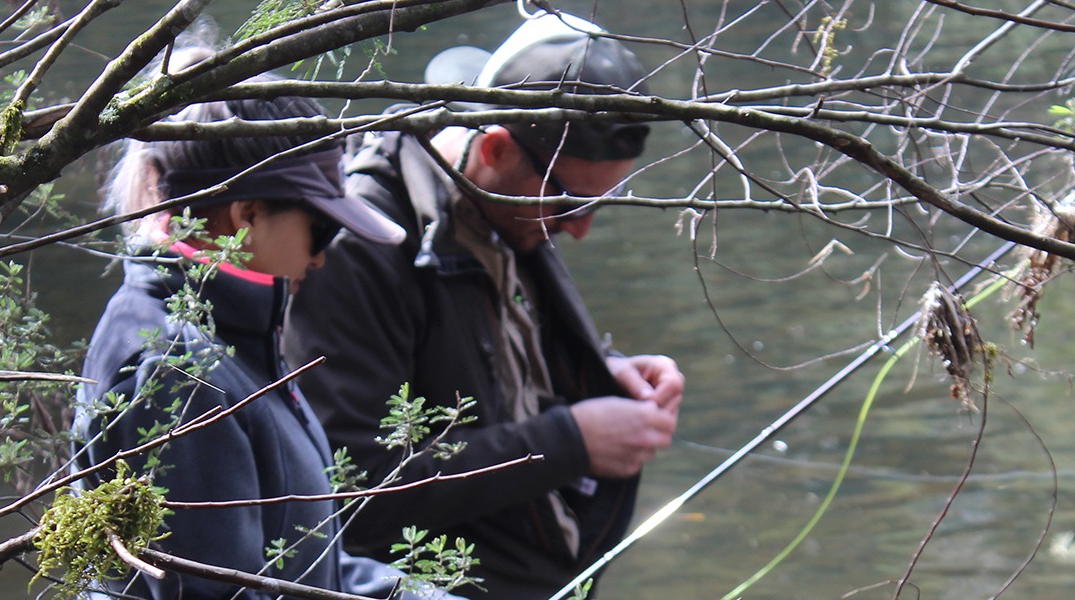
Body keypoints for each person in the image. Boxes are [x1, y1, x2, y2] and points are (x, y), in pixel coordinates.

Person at [284, 12, 684, 599]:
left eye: (603, 201)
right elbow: (352, 496)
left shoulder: (507, 207)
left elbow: (495, 360)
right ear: (495, 149)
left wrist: (602, 372)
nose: (581, 230)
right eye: (571, 202)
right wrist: (568, 443)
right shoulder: (359, 250)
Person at [73, 59, 455, 600]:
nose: (320, 260)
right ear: (247, 214)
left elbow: (312, 570)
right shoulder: (179, 375)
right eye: (320, 230)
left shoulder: (235, 336)